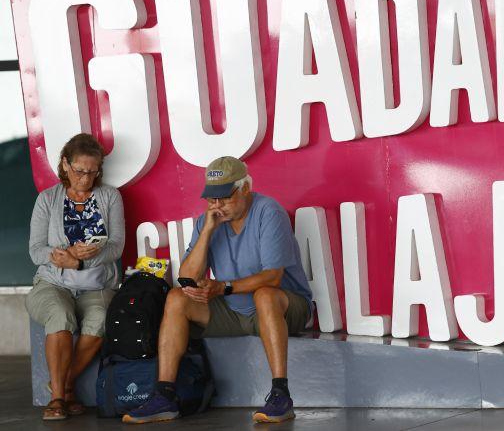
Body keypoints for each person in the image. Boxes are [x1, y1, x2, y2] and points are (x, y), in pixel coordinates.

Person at [124, 156, 313, 424]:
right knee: (177, 297)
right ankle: (164, 396)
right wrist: (207, 232)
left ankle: (281, 395)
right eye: (212, 199)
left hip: (284, 308)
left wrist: (223, 287)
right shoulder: (208, 221)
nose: (216, 205)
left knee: (265, 295)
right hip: (234, 311)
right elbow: (187, 278)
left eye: (224, 197)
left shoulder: (269, 211)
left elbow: (273, 277)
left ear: (244, 188)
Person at [26, 133, 125, 420]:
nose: (86, 178)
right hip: (53, 282)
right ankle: (58, 398)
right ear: (65, 164)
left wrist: (82, 262)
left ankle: (65, 384)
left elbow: (116, 246)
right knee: (60, 315)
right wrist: (65, 255)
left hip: (96, 285)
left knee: (102, 319)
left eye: (93, 172)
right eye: (80, 171)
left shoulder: (109, 196)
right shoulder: (47, 199)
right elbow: (35, 250)